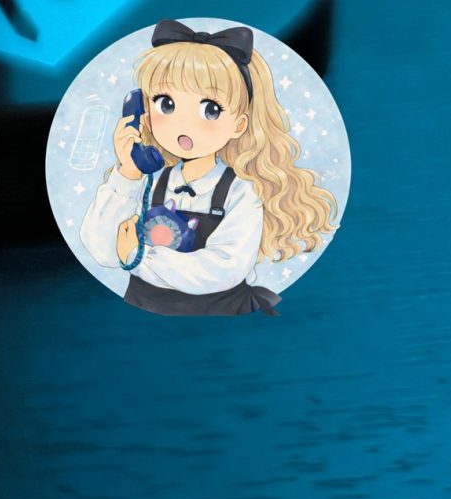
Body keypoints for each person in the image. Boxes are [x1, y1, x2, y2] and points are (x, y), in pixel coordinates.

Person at [80, 20, 338, 315]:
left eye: (210, 110)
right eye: (166, 104)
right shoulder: (147, 181)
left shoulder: (240, 192)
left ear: (239, 124)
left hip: (221, 313)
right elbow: (103, 250)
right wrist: (127, 173)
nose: (184, 123)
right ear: (146, 115)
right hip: (142, 309)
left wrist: (140, 258)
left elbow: (224, 268)